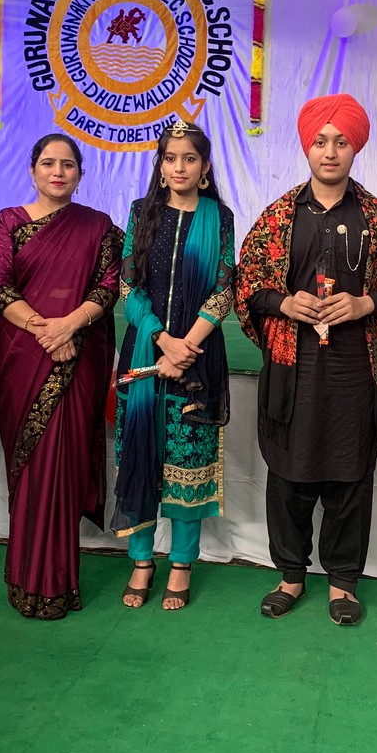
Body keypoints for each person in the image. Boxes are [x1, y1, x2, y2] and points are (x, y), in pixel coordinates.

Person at [235, 93, 377, 626]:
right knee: (288, 476)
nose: (331, 151)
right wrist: (284, 303)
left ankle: (343, 582)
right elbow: (247, 283)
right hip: (291, 367)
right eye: (321, 141)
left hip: (355, 368)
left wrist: (366, 303)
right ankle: (290, 576)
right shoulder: (278, 216)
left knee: (349, 478)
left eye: (341, 142)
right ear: (307, 147)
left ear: (355, 148)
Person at [0, 134, 122, 619]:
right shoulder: (8, 222)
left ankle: (58, 583)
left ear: (80, 174)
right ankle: (26, 578)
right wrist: (47, 331)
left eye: (68, 164)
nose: (58, 172)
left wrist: (70, 326)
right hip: (25, 356)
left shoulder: (99, 226)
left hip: (79, 359)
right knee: (31, 465)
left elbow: (109, 286)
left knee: (64, 465)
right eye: (48, 163)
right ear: (33, 170)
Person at [114, 121, 235, 611]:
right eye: (170, 158)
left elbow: (224, 287)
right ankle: (142, 560)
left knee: (188, 462)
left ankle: (182, 562)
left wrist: (186, 347)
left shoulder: (218, 217)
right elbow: (128, 286)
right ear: (160, 166)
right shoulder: (141, 213)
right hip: (145, 351)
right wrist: (162, 340)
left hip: (197, 362)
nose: (179, 167)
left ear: (204, 167)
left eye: (189, 158)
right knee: (140, 453)